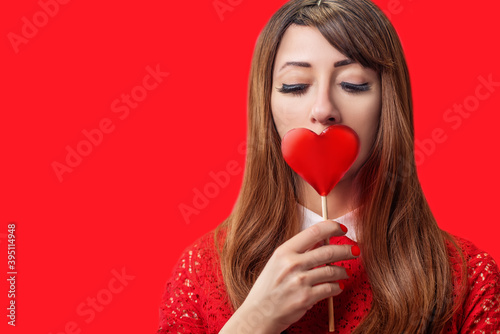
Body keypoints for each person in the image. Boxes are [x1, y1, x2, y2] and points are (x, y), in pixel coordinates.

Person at [156, 0, 500, 333]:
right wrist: (253, 322)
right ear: (267, 105)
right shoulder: (201, 272)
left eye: (352, 84)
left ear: (387, 102)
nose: (323, 109)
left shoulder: (468, 278)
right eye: (295, 86)